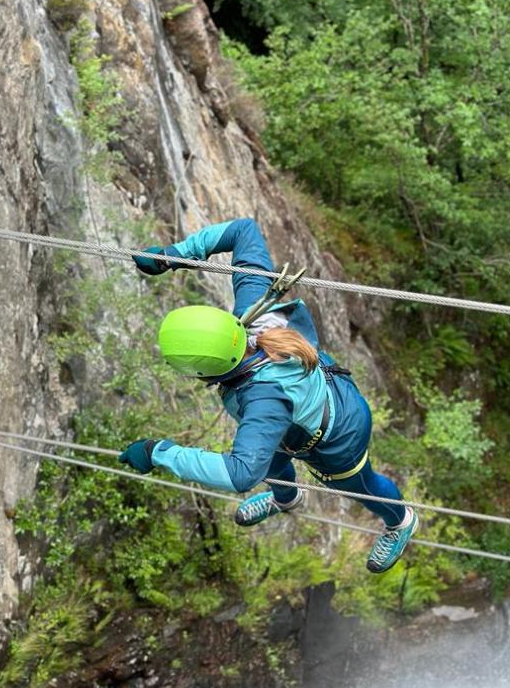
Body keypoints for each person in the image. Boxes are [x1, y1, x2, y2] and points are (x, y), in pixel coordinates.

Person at [118, 217, 417, 573]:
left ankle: (400, 520)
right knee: (270, 458)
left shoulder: (263, 402)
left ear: (202, 371)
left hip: (338, 436)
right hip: (305, 407)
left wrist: (159, 454)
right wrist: (174, 255)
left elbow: (240, 474)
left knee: (361, 485)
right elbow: (243, 230)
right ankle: (285, 499)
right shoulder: (251, 315)